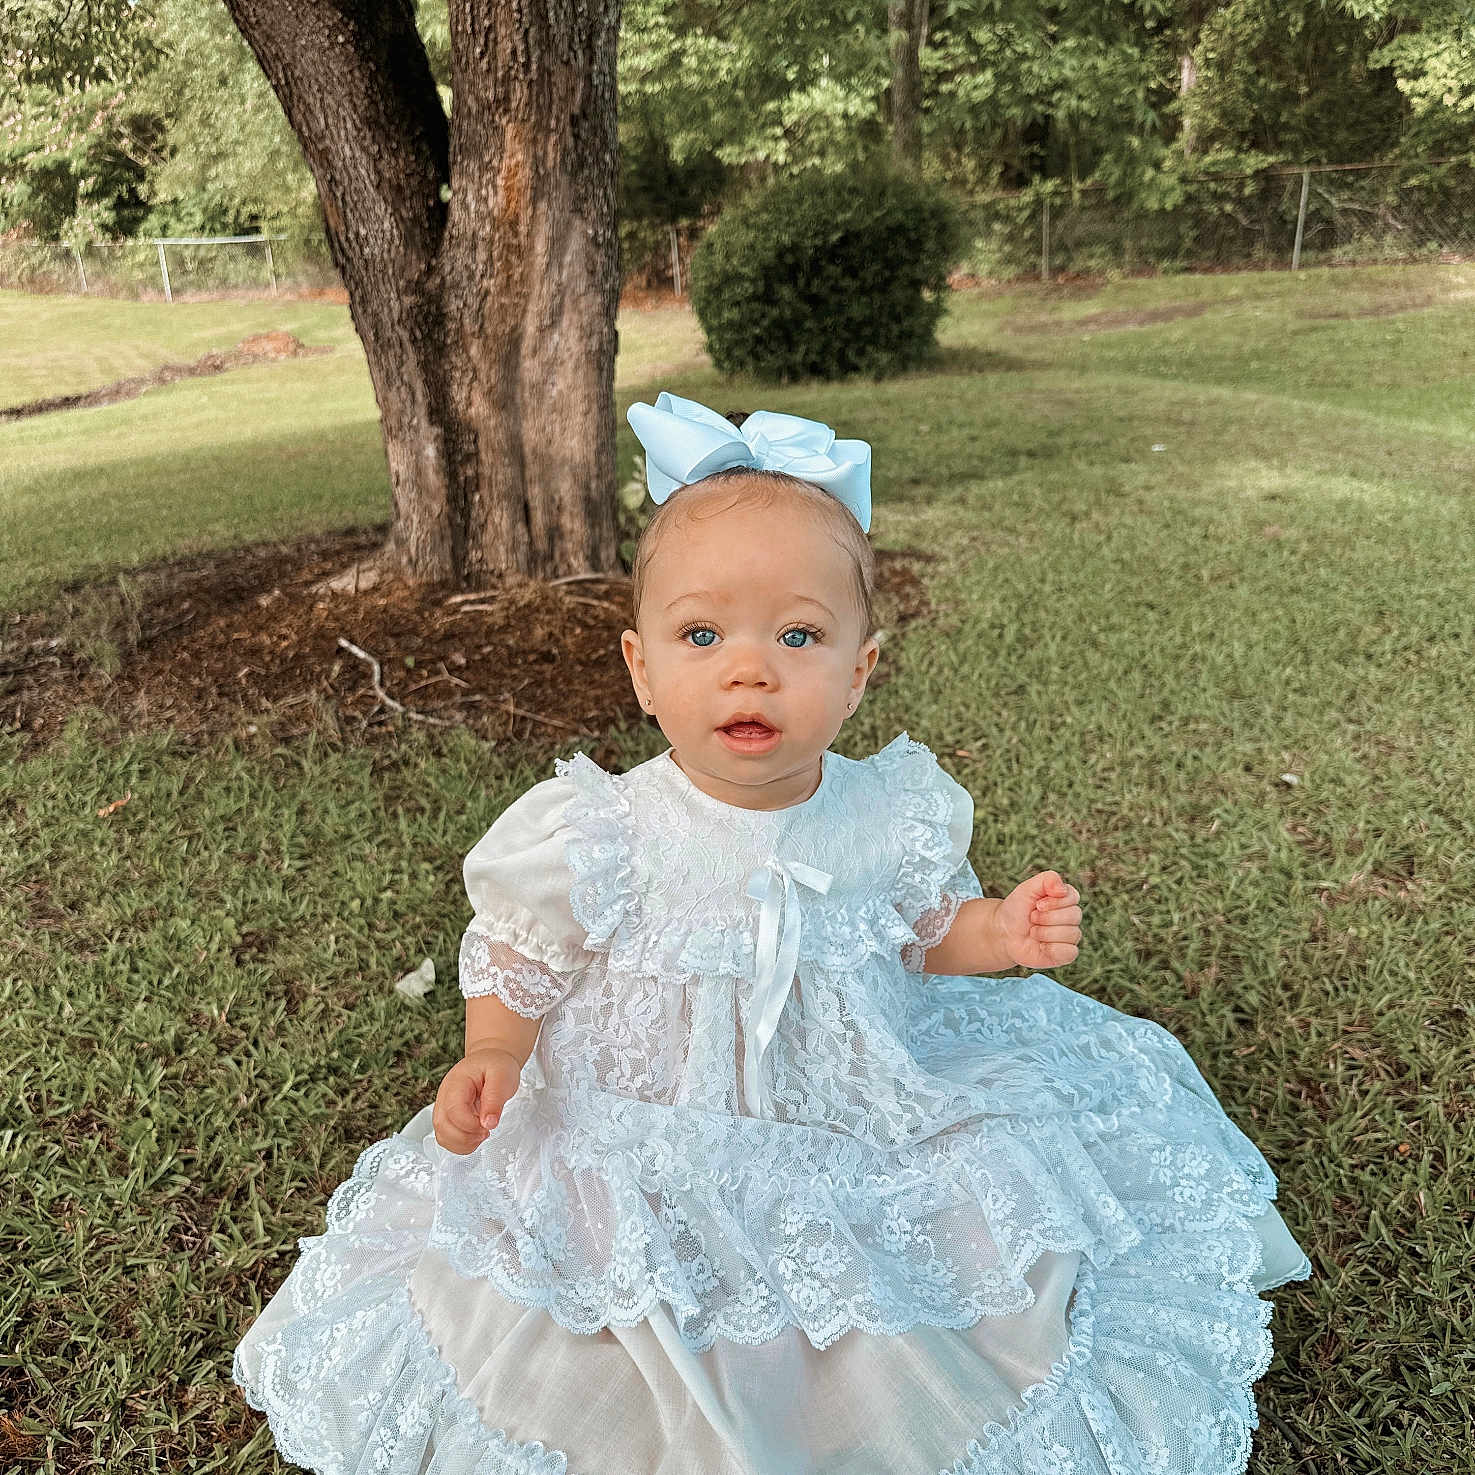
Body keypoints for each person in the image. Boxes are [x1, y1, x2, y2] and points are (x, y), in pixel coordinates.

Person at [233, 390, 1312, 1474]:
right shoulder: (601, 827)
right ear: (641, 668)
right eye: (701, 634)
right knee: (574, 1285)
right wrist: (493, 1049)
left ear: (858, 671)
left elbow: (914, 932)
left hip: (852, 1106)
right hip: (644, 1114)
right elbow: (523, 953)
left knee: (956, 1256)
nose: (748, 668)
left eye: (797, 634)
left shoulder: (883, 812)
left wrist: (998, 930)